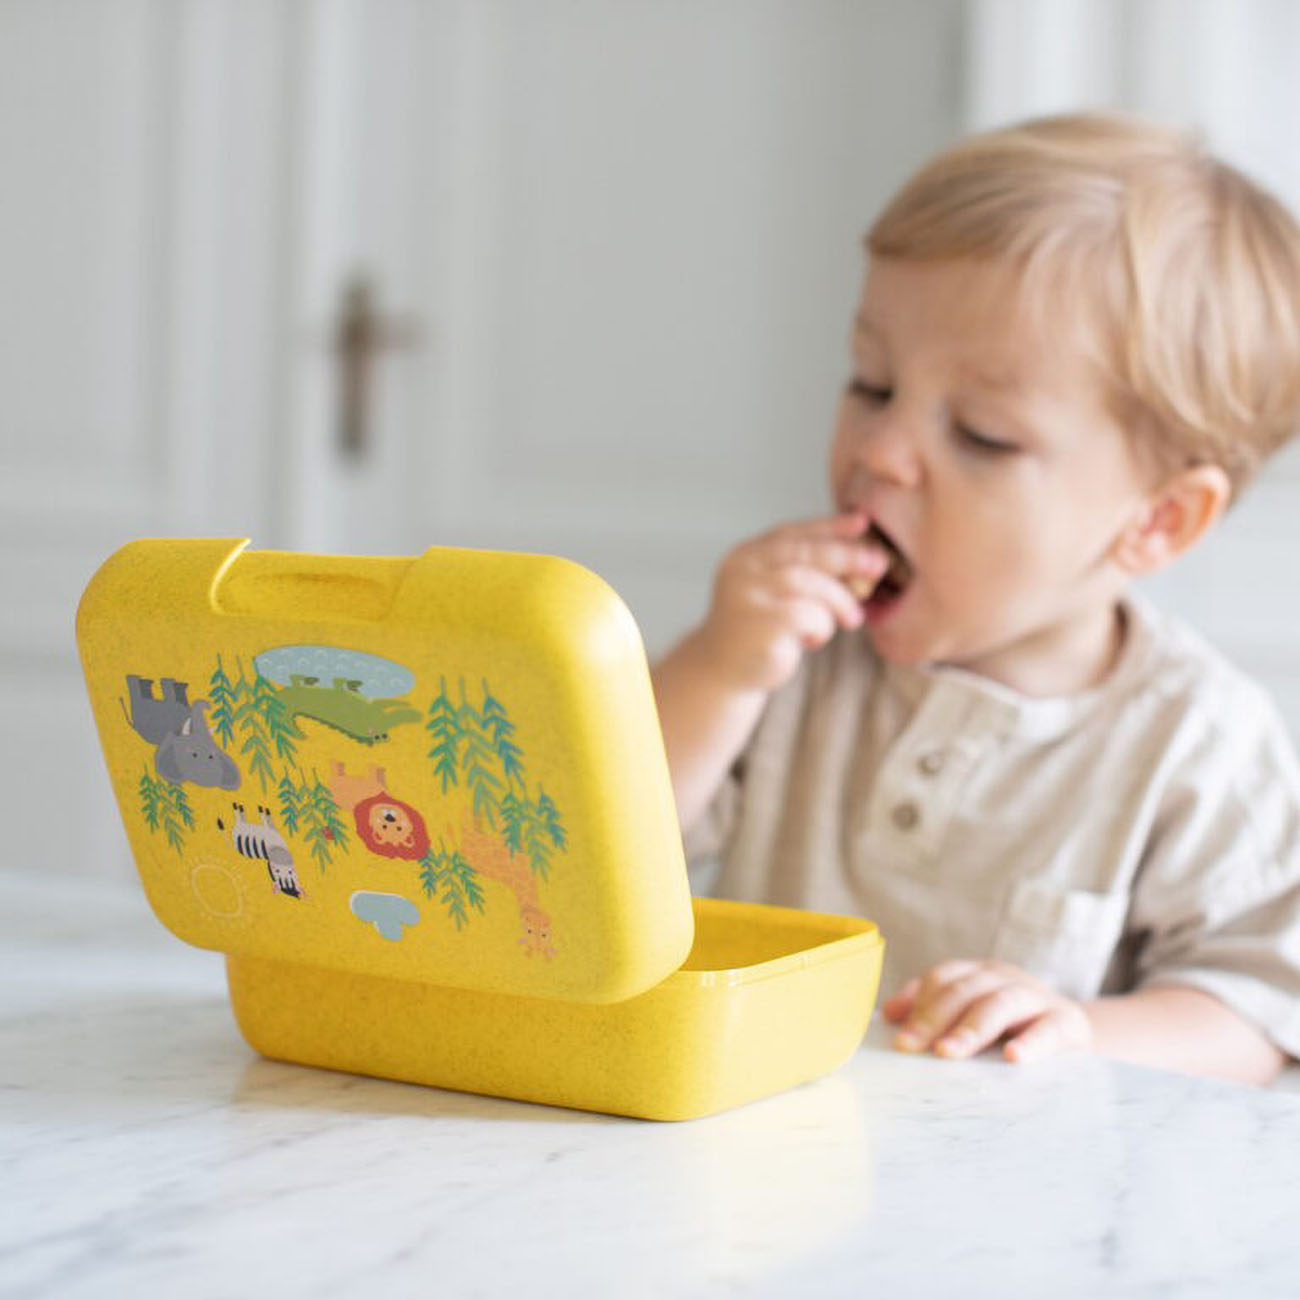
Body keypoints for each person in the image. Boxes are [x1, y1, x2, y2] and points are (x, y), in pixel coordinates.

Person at [651, 112, 1300, 1084]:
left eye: (983, 435)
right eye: (872, 384)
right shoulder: (787, 661)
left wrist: (1082, 1030)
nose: (881, 451)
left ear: (1158, 520)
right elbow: (595, 864)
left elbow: (1260, 1013)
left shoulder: (1198, 743)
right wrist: (715, 670)